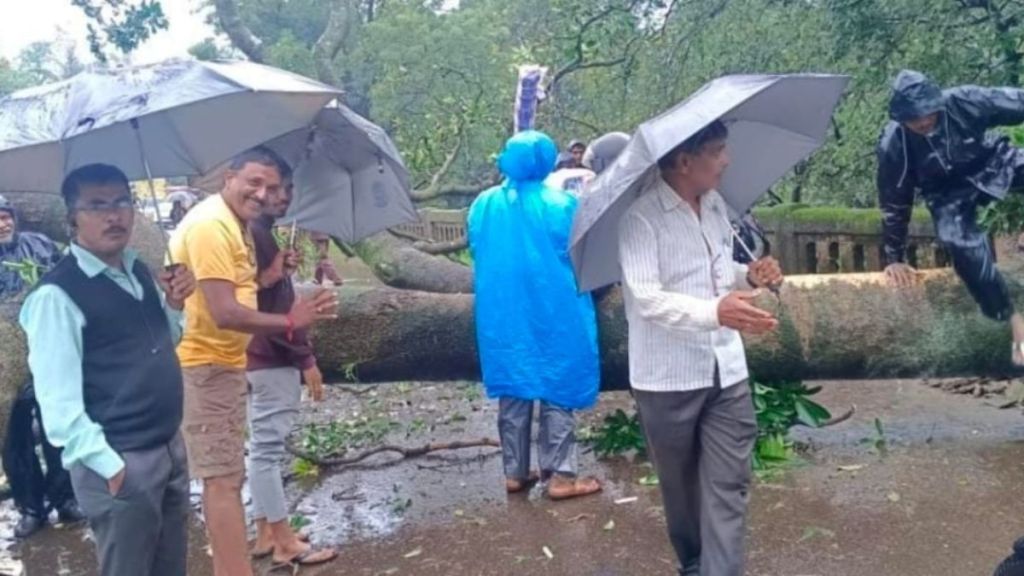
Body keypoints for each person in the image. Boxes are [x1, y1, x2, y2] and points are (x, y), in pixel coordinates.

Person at [617, 120, 783, 576]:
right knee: (682, 489)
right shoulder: (641, 219)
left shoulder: (715, 208)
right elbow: (647, 297)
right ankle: (694, 563)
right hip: (668, 377)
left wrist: (749, 276)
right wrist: (715, 312)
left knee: (729, 485)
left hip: (727, 371)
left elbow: (714, 275)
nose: (726, 160)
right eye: (717, 151)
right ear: (684, 161)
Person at [20, 164, 197, 576]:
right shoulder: (56, 296)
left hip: (168, 445)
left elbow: (161, 343)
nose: (113, 215)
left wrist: (173, 304)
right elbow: (57, 404)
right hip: (119, 458)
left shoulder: (135, 270)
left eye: (121, 201)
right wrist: (110, 467)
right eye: (97, 205)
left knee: (171, 567)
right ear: (71, 218)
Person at [169, 146, 337, 576]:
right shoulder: (211, 226)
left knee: (231, 474)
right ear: (229, 177)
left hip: (229, 360)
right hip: (204, 363)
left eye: (275, 187)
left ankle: (264, 539)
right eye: (256, 183)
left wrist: (272, 276)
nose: (265, 195)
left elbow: (244, 288)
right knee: (223, 482)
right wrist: (291, 321)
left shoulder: (238, 225)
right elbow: (225, 310)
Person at [468, 130, 602, 500]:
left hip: (501, 309)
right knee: (558, 384)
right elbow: (581, 255)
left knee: (514, 384)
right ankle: (561, 476)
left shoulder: (483, 204)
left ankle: (514, 471)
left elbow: (476, 248)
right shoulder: (562, 205)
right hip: (555, 306)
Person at [878, 70, 1024, 363]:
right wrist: (894, 256)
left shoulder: (964, 100)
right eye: (914, 119)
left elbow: (1017, 102)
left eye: (928, 114)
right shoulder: (894, 142)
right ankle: (1011, 319)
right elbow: (894, 200)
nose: (923, 122)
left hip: (990, 161)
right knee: (961, 247)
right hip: (946, 193)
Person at [246, 174, 337, 568]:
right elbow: (274, 311)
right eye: (274, 189)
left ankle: (266, 529)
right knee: (266, 450)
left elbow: (264, 289)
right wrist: (306, 358)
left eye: (288, 189)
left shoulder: (260, 234)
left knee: (262, 445)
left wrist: (279, 270)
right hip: (270, 356)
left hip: (259, 355)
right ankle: (283, 541)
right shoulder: (256, 233)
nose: (282, 197)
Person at [0, 195, 83, 539]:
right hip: (5, 364)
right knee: (15, 439)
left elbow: (68, 281)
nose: (3, 224)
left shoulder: (41, 245)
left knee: (57, 428)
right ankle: (30, 506)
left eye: (5, 217)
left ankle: (65, 497)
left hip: (46, 353)